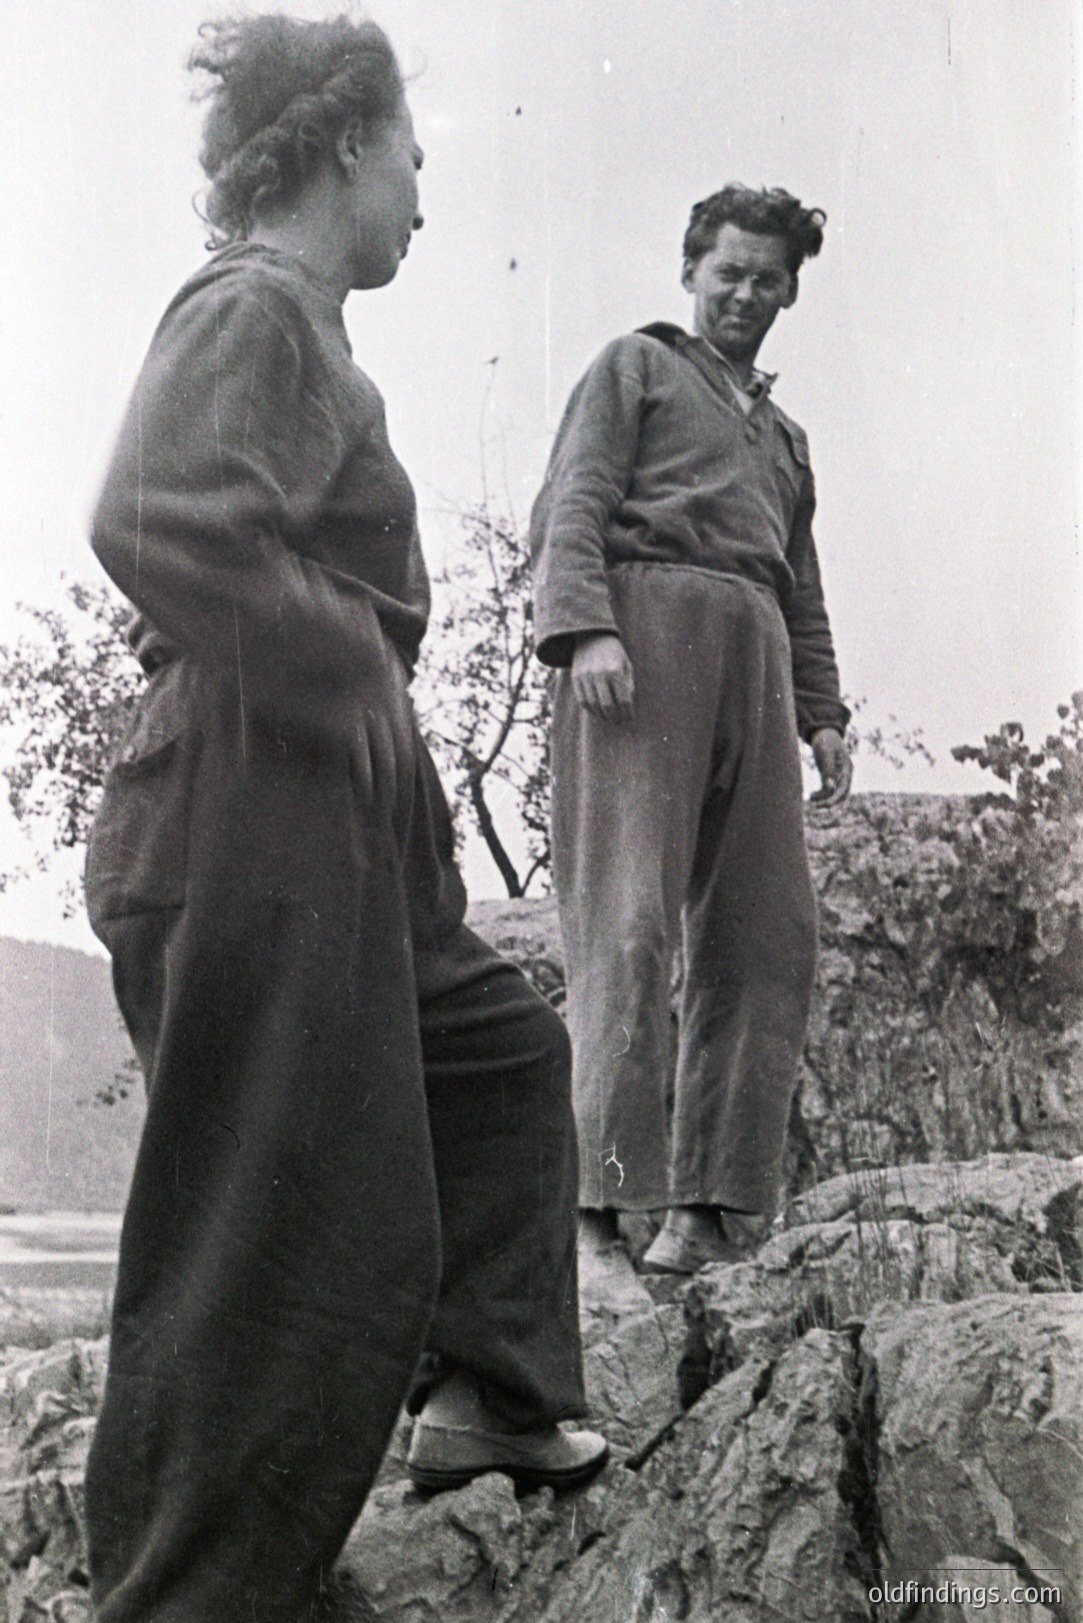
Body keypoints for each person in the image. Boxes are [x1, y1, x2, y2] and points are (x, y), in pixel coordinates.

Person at [83, 15, 605, 1621]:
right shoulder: (252, 307)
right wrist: (356, 684)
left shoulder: (308, 334)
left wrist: (407, 821)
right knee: (271, 1245)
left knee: (501, 1066)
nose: (426, 203)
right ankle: (187, 1595)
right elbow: (155, 516)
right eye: (416, 161)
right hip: (242, 819)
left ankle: (492, 1396)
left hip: (321, 839)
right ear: (340, 148)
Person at [530, 184, 852, 1277]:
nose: (747, 294)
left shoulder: (786, 436)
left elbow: (798, 580)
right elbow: (572, 499)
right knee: (627, 925)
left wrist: (824, 712)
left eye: (769, 280)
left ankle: (708, 1214)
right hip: (644, 642)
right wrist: (586, 631)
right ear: (691, 271)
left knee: (768, 936)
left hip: (755, 657)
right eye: (730, 272)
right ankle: (604, 1212)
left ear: (789, 294)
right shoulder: (637, 366)